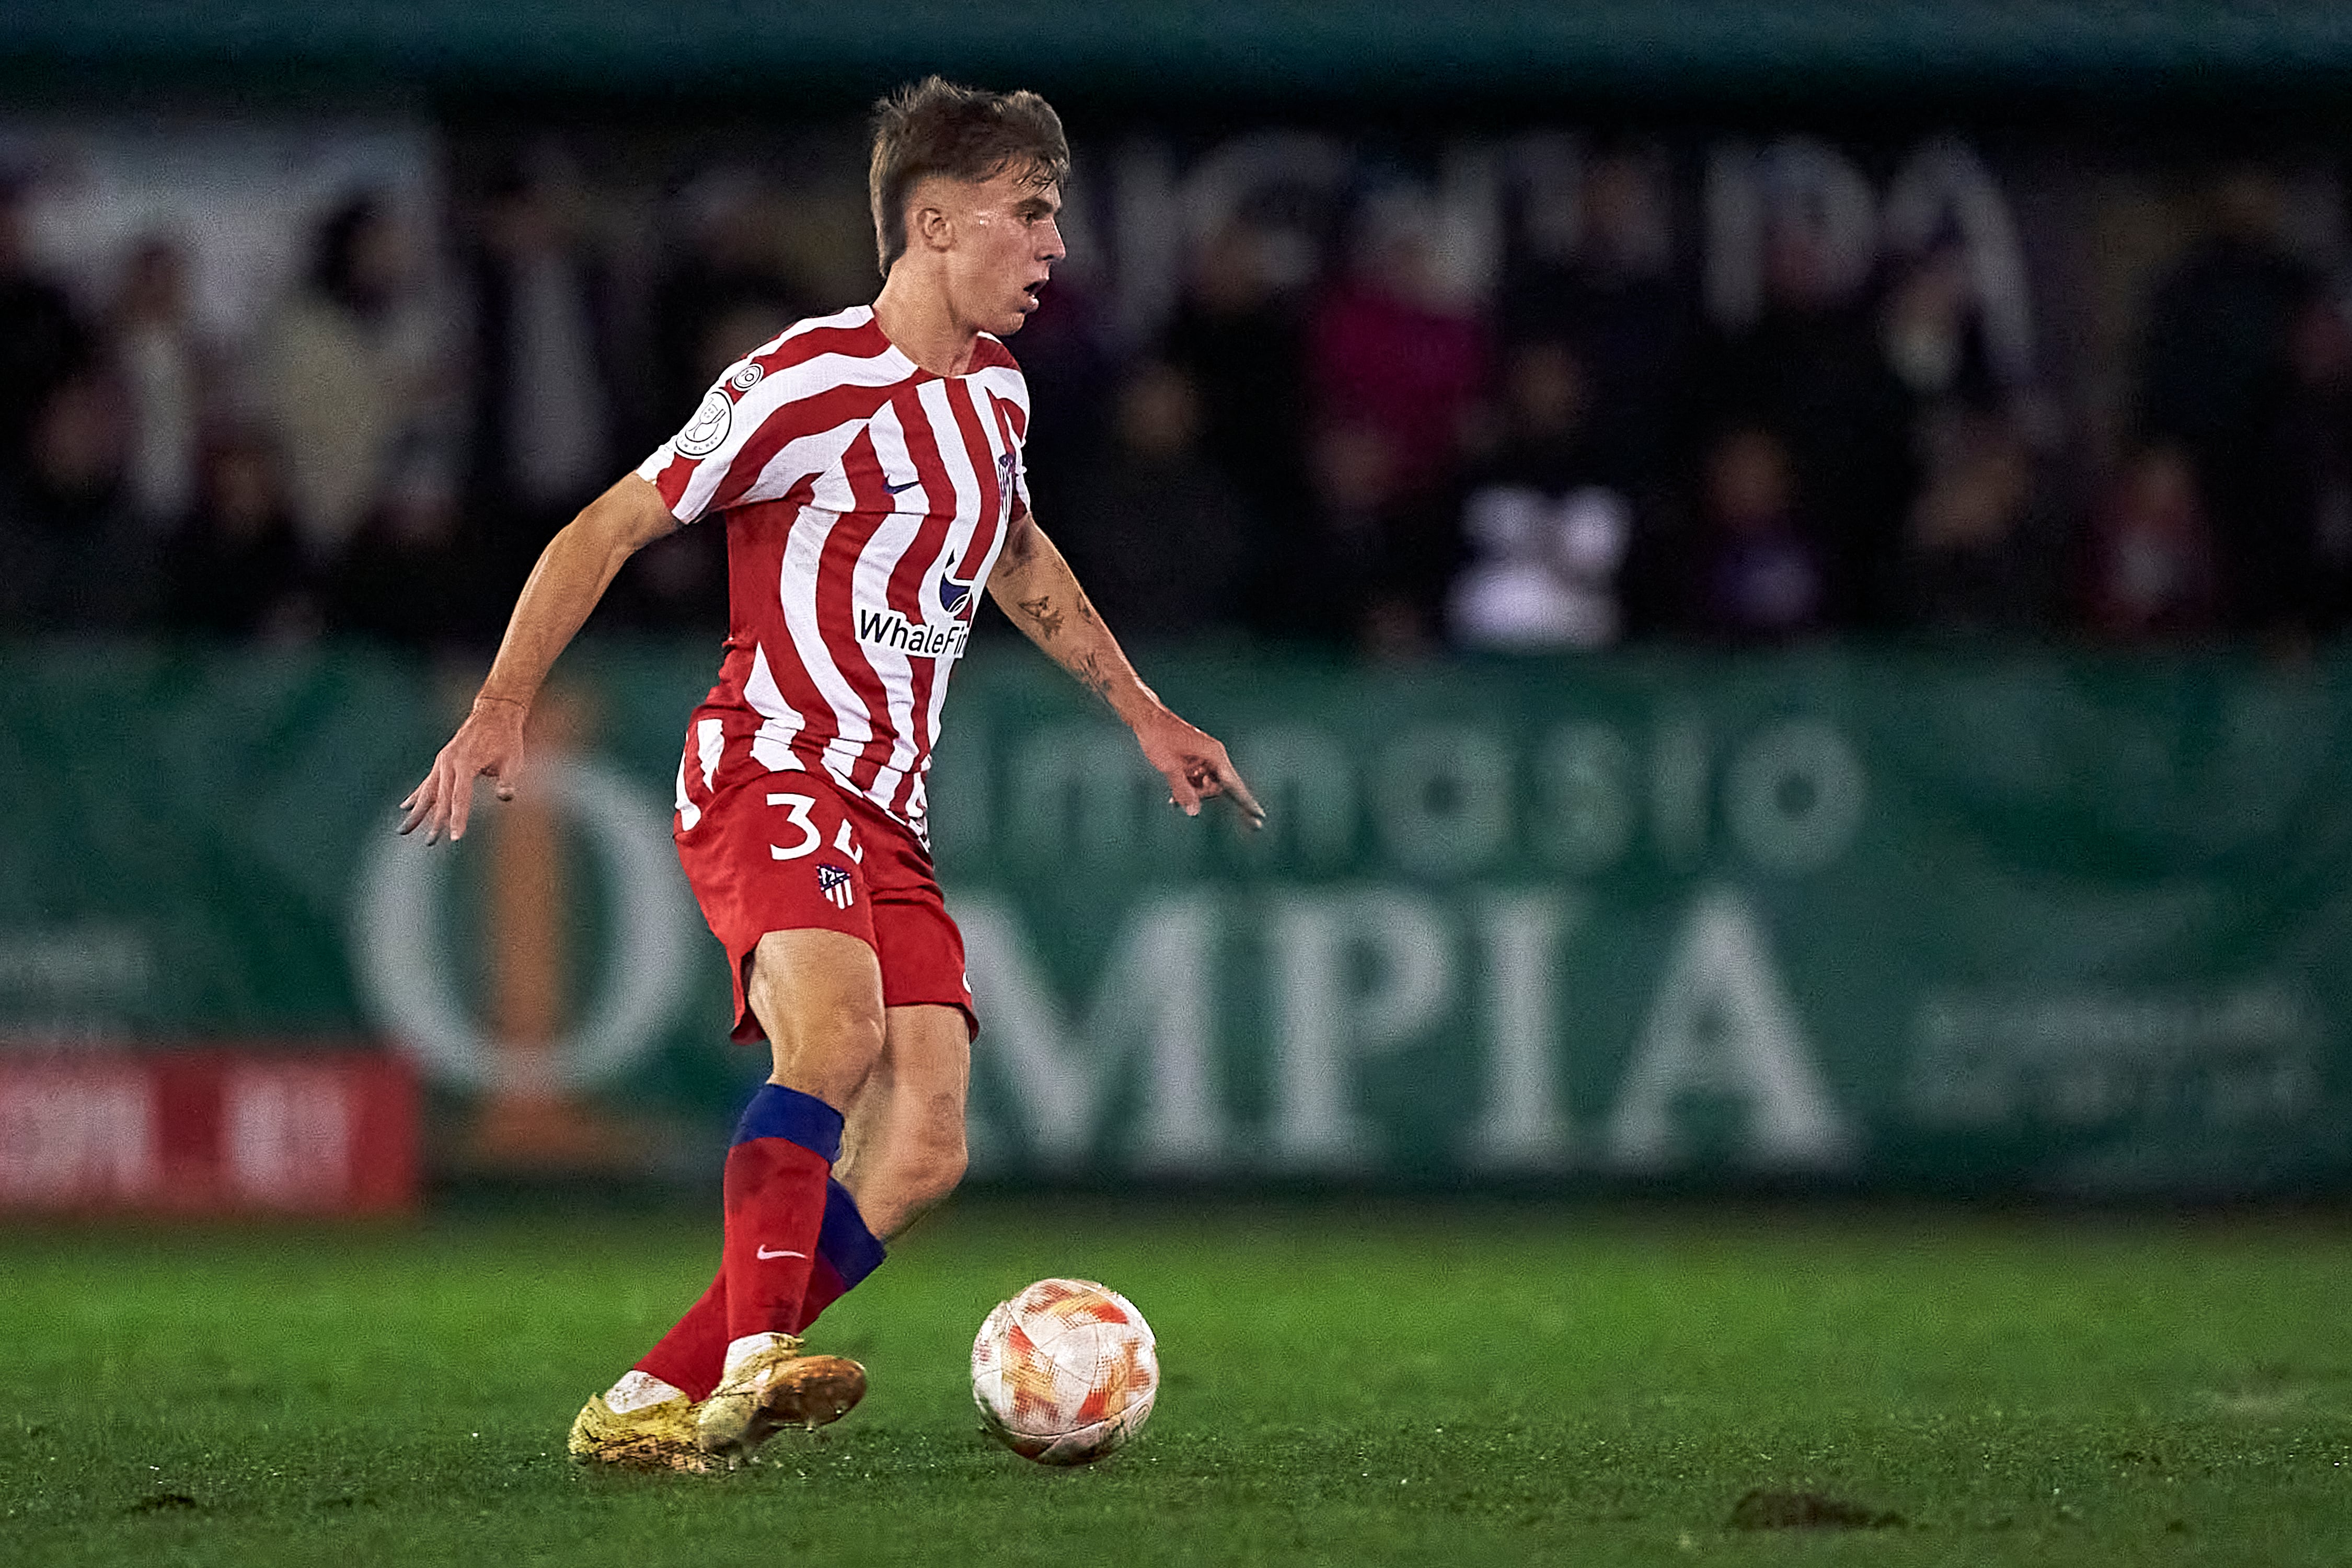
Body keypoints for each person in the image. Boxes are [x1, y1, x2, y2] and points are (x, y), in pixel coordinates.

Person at [397, 78, 1263, 1473]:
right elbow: (608, 524)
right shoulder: (803, 379)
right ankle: (756, 1358)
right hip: (769, 764)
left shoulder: (995, 396)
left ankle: (646, 1402)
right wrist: (501, 705)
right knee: (837, 1041)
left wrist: (1142, 711)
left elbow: (1018, 561)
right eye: (1028, 215)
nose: (1052, 247)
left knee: (923, 1148)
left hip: (886, 809)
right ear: (933, 224)